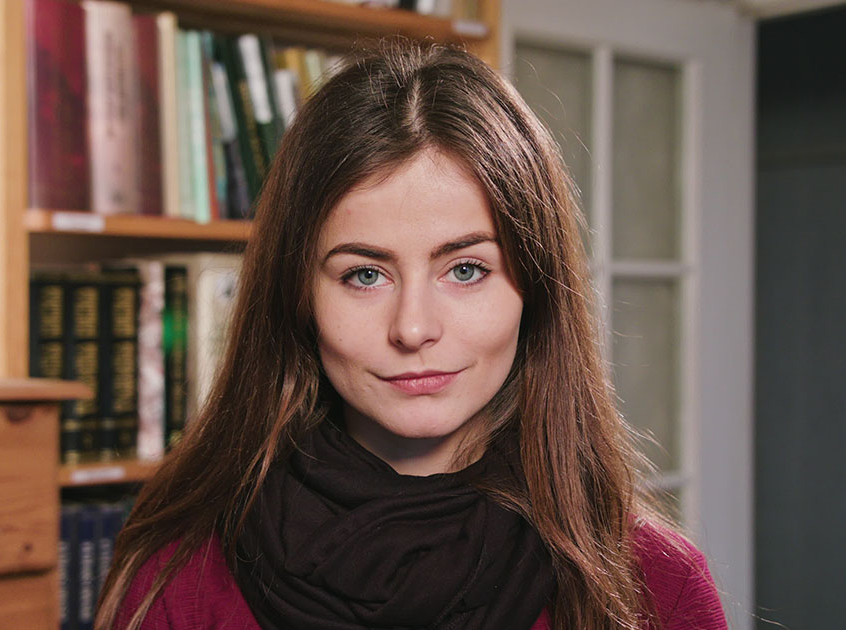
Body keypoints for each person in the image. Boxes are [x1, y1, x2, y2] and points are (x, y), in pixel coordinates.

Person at [98, 40, 728, 630]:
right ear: (297, 296)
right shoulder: (178, 577)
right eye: (365, 274)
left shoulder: (655, 584)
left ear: (536, 289)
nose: (414, 328)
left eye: (466, 270)